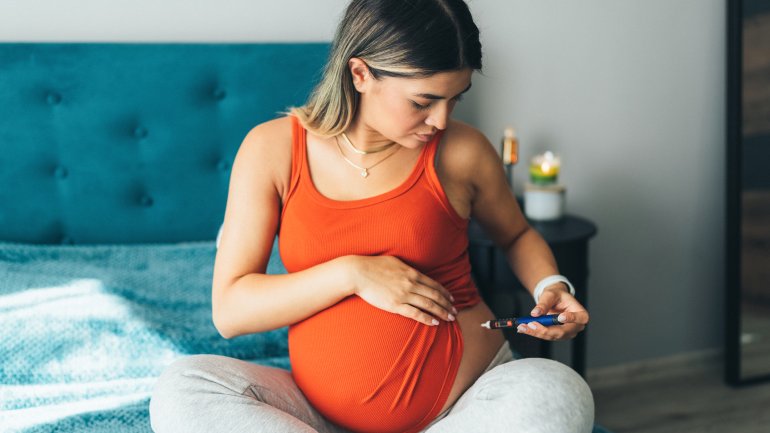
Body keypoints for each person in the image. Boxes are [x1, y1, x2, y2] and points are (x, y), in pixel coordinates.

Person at [150, 0, 594, 432]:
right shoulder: (273, 150)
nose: (440, 120)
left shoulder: (463, 152)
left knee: (557, 391)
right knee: (183, 389)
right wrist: (353, 273)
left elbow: (516, 235)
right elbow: (231, 311)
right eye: (423, 101)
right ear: (360, 74)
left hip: (464, 404)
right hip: (312, 412)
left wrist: (550, 285)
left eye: (455, 99)